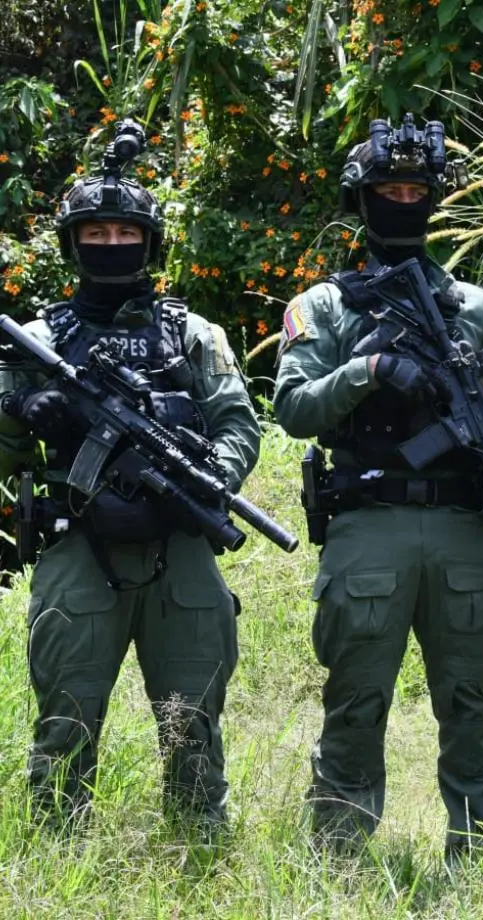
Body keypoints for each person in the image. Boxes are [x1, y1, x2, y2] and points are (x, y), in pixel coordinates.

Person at [273, 115, 483, 863]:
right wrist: (370, 370)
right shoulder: (326, 306)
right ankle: (339, 858)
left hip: (460, 527)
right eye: (390, 188)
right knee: (355, 702)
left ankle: (480, 857)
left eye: (417, 189)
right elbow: (293, 408)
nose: (404, 200)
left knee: (472, 704)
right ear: (363, 197)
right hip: (369, 524)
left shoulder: (474, 308)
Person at [0, 120, 260, 835]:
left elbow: (240, 425)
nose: (110, 246)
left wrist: (206, 477)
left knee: (195, 727)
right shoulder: (36, 343)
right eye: (95, 234)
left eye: (125, 235)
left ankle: (198, 853)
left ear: (149, 244)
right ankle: (57, 857)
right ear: (72, 244)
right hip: (76, 547)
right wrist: (23, 410)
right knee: (66, 721)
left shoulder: (193, 335)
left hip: (181, 547)